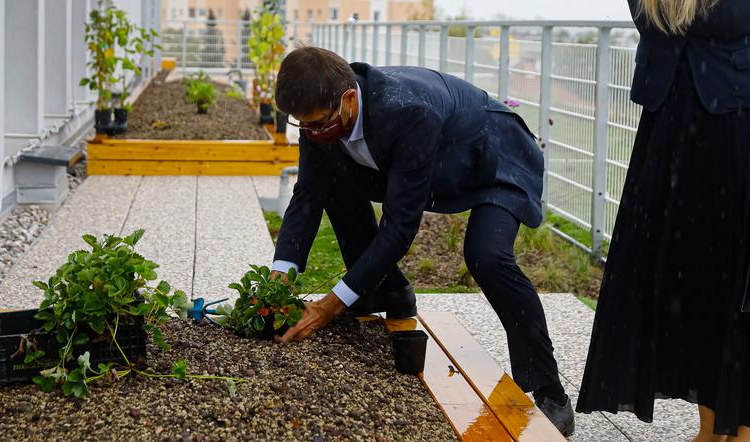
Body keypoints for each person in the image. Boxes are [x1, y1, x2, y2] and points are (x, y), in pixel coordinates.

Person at [267, 46, 575, 436]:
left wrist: (331, 304)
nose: (312, 133)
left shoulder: (406, 110)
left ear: (348, 98)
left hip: (495, 161)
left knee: (486, 256)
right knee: (331, 183)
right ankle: (388, 294)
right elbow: (307, 194)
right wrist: (281, 275)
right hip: (434, 160)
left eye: (319, 124)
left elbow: (399, 228)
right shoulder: (321, 113)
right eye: (303, 126)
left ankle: (550, 389)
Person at [577, 0, 750, 440]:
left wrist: (684, 10)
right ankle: (710, 426)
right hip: (669, 123)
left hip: (733, 122)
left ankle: (740, 427)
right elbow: (646, 13)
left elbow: (732, 19)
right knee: (687, 282)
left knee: (735, 281)